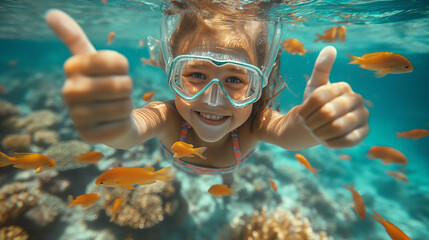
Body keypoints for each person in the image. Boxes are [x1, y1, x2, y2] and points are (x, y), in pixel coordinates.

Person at [45, 1, 369, 177]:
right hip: (182, 166)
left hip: (233, 167)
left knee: (231, 174)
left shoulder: (255, 124)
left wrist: (313, 123)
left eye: (235, 80)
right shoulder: (167, 116)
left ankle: (230, 171)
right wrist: (112, 125)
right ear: (172, 71)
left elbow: (289, 131)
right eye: (197, 75)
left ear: (261, 82)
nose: (213, 100)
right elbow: (130, 130)